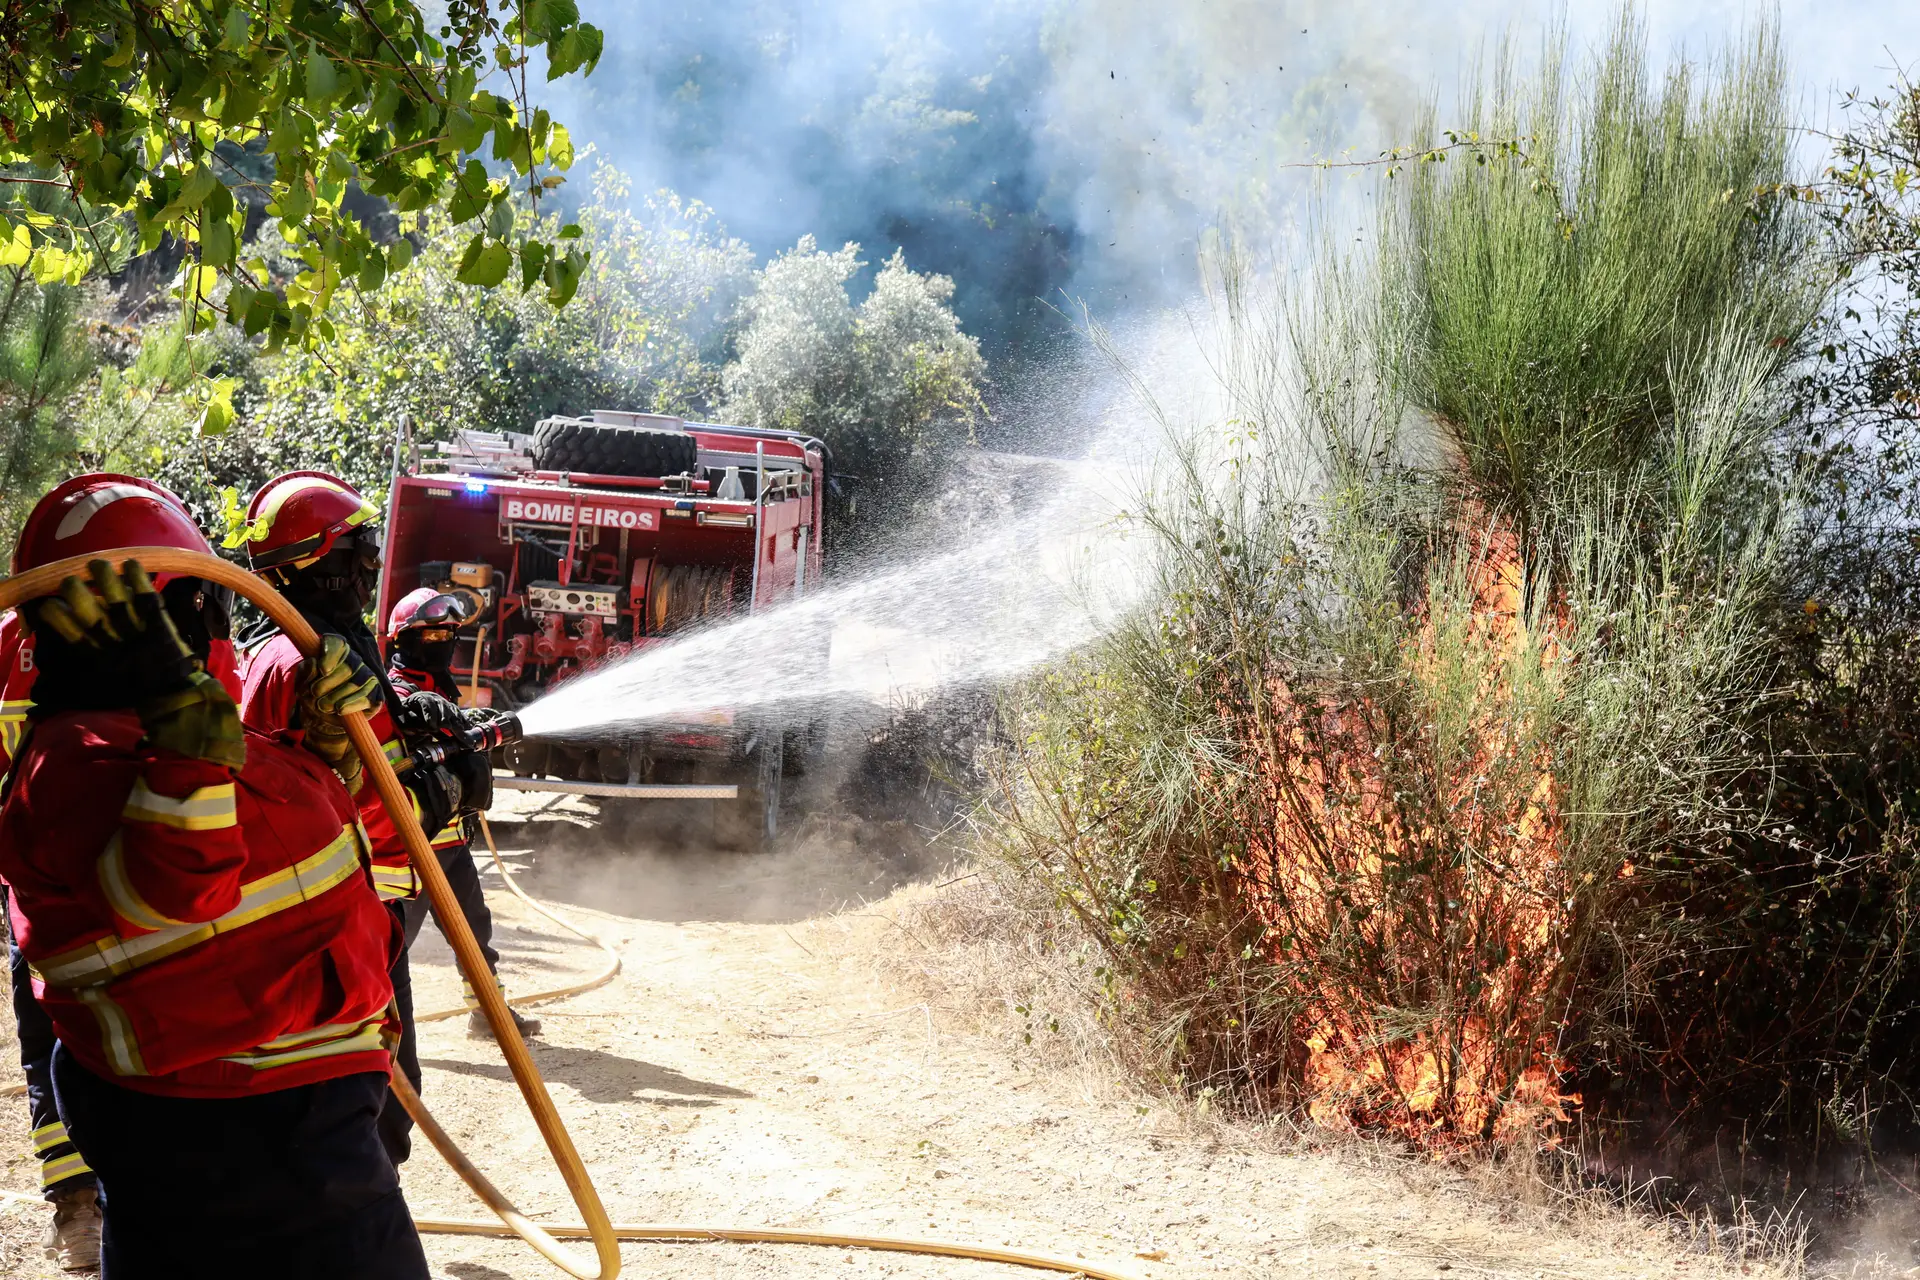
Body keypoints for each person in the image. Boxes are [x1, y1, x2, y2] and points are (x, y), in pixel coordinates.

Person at [0, 474, 428, 1279]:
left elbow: (260, 842)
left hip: (288, 1118)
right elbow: (176, 890)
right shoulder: (85, 755)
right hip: (246, 1128)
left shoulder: (147, 739)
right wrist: (187, 735)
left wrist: (319, 756)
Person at [236, 470, 481, 1164]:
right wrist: (428, 800)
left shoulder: (327, 649)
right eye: (362, 550)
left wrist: (432, 756)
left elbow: (362, 761)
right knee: (365, 1119)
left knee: (383, 1111)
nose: (373, 566)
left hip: (363, 917)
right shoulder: (302, 661)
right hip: (327, 927)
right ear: (319, 562)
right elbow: (296, 795)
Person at [386, 588, 540, 1041]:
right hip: (411, 853)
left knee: (474, 933)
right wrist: (445, 724)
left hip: (452, 845)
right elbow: (413, 728)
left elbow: (455, 727)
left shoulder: (442, 689)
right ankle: (368, 1027)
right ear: (404, 639)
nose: (443, 641)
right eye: (431, 633)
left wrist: (480, 726)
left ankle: (489, 1014)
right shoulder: (394, 693)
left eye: (450, 633)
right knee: (394, 946)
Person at [0, 607, 101, 1271]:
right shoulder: (170, 612)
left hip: (40, 876)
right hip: (142, 878)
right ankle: (84, 1208)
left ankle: (81, 1214)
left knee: (52, 1042)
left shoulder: (12, 632)